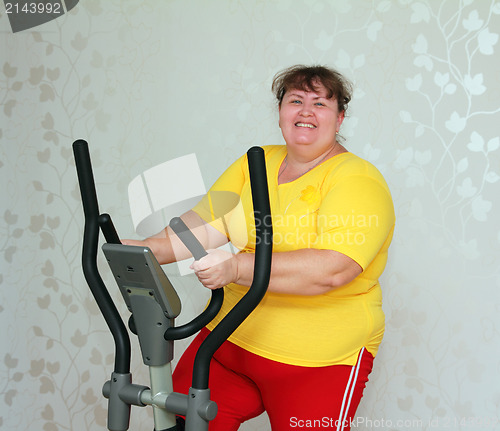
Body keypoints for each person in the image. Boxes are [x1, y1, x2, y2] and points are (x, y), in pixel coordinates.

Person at [125, 65, 395, 430]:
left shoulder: (357, 180)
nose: (305, 111)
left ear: (340, 117)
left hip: (316, 360)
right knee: (180, 422)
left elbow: (333, 268)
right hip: (228, 340)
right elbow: (205, 223)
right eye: (295, 100)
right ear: (281, 111)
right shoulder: (255, 162)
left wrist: (237, 268)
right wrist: (147, 249)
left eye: (320, 104)